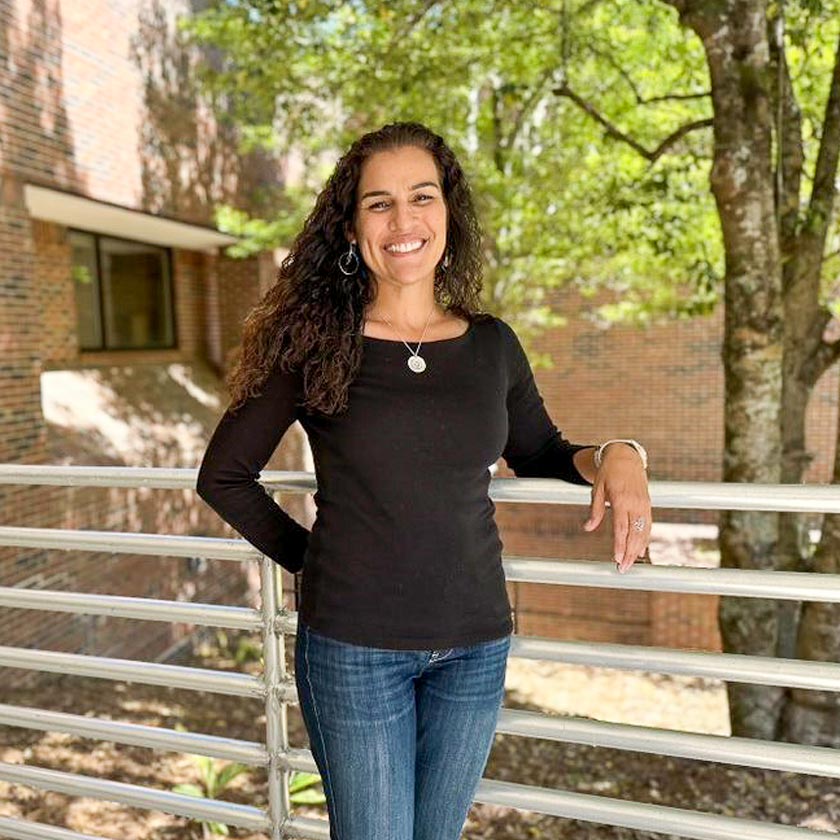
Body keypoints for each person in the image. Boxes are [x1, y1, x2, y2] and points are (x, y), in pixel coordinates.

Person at [195, 121, 651, 840]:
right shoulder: (315, 344)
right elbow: (224, 475)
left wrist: (620, 453)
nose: (403, 221)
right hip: (354, 649)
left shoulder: (492, 344)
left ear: (447, 213)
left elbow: (541, 451)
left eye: (422, 197)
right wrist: (316, 562)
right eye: (379, 204)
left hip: (474, 646)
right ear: (351, 229)